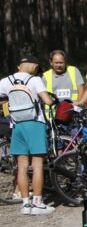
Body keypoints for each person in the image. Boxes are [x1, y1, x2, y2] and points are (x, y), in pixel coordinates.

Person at [0, 55, 54, 215]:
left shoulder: (5, 81)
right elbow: (48, 101)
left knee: (22, 166)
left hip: (17, 125)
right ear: (35, 66)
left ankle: (25, 204)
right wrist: (50, 100)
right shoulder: (35, 80)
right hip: (35, 123)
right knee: (37, 165)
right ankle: (38, 203)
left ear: (19, 66)